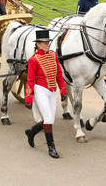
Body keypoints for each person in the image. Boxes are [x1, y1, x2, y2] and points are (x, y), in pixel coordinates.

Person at [24, 29, 67, 159]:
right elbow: (30, 80)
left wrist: (63, 90)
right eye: (44, 43)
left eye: (47, 42)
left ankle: (31, 132)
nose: (47, 45)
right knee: (48, 118)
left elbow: (59, 74)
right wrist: (28, 98)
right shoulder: (33, 59)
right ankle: (51, 147)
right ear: (37, 44)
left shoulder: (53, 55)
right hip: (40, 89)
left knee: (50, 119)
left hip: (52, 90)